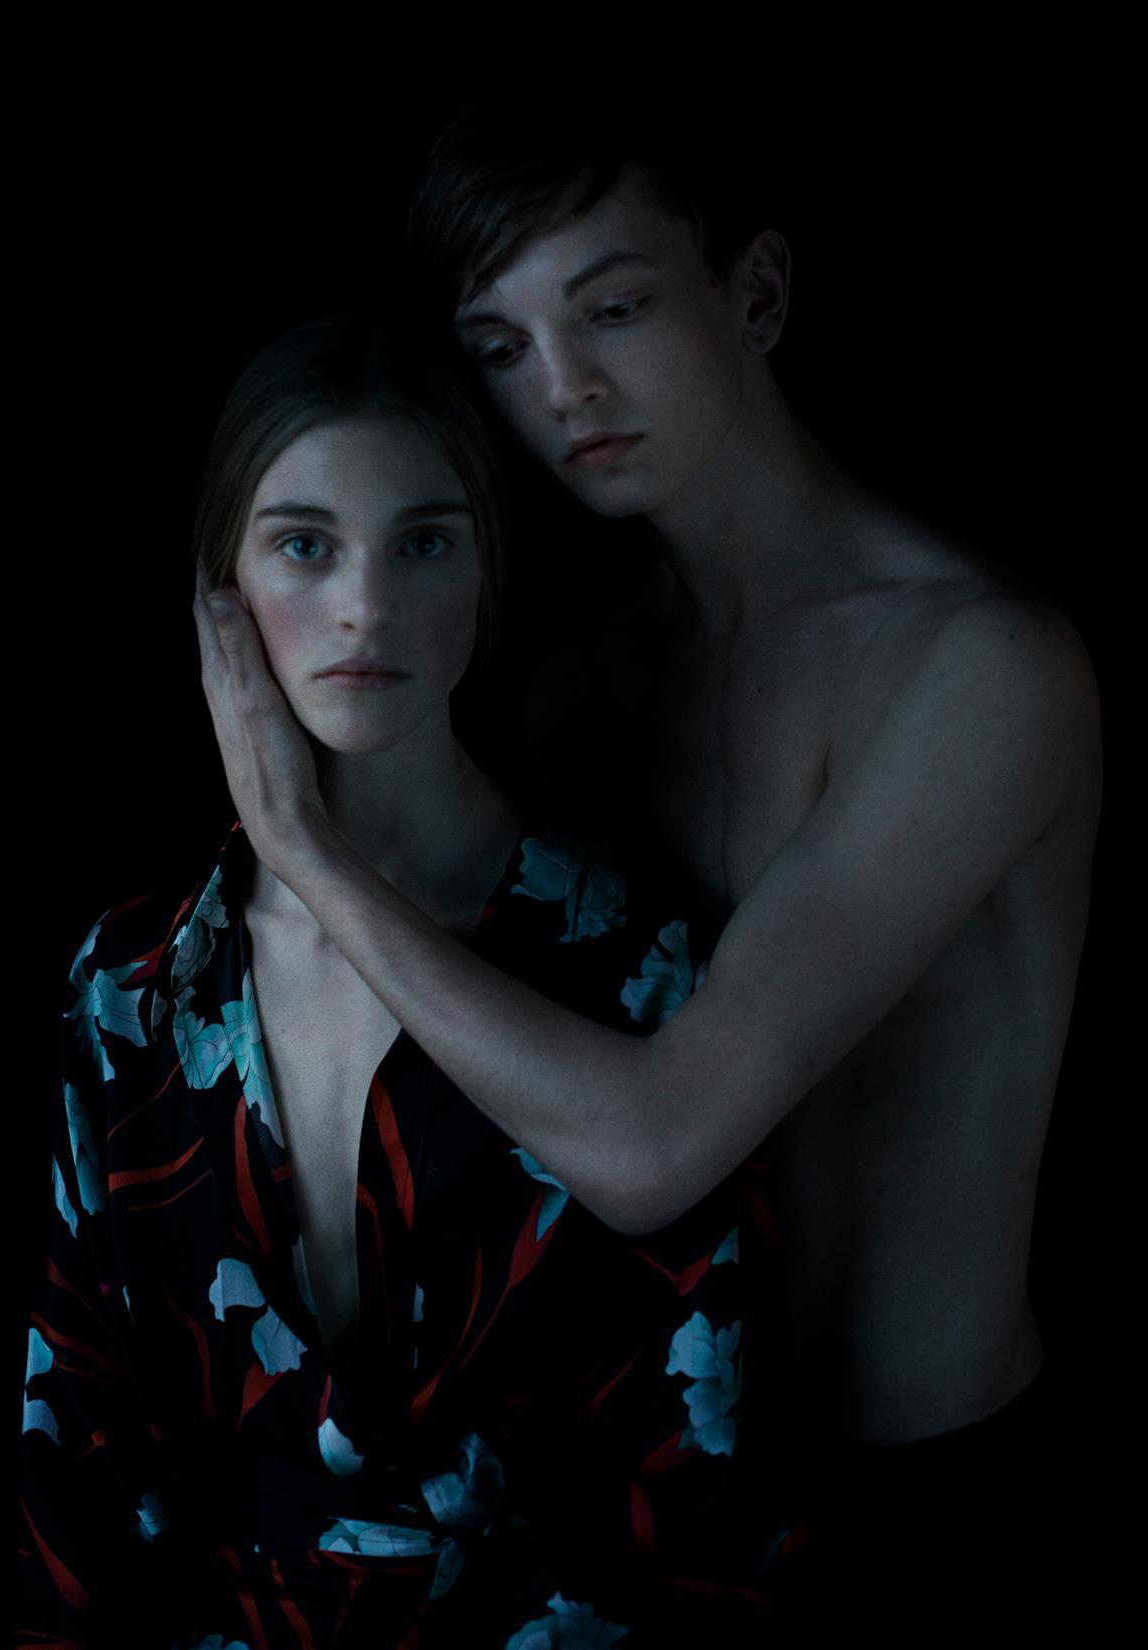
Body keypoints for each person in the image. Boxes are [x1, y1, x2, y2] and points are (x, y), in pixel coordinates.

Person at [169, 105, 1101, 1622]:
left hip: (924, 1494)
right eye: (501, 347)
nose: (565, 389)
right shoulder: (580, 697)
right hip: (641, 1516)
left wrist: (302, 848)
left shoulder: (979, 670)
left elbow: (661, 1141)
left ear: (757, 294)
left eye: (612, 309)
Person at [17, 314, 801, 1649]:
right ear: (219, 588)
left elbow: (706, 1481)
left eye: (424, 542)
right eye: (304, 545)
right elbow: (74, 1458)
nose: (364, 607)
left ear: (490, 572)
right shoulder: (132, 986)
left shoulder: (634, 974)